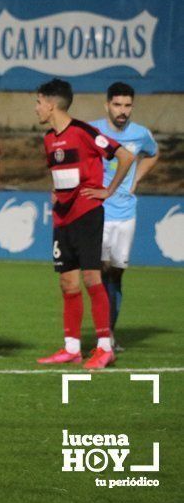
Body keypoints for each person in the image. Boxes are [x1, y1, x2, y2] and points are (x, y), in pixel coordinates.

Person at [34, 78, 134, 369]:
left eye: (38, 103)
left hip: (87, 214)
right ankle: (72, 348)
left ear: (51, 104)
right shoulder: (49, 138)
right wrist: (57, 191)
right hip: (62, 217)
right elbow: (64, 173)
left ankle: (104, 347)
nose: (37, 109)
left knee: (92, 278)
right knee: (68, 283)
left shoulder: (84, 132)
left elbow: (125, 157)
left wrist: (108, 191)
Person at [90, 82, 159, 351]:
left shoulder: (140, 134)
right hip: (101, 213)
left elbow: (153, 155)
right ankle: (102, 336)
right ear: (106, 105)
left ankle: (110, 334)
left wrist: (136, 180)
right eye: (117, 105)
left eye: (127, 105)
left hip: (126, 214)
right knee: (100, 272)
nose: (122, 111)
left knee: (116, 276)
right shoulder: (94, 130)